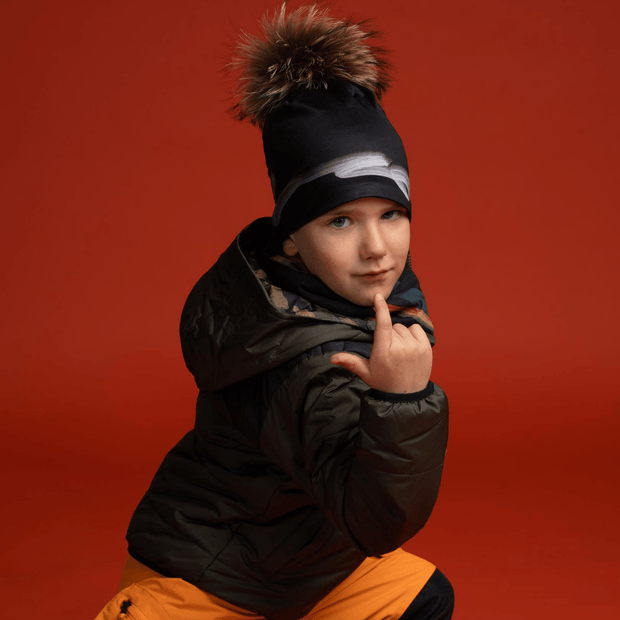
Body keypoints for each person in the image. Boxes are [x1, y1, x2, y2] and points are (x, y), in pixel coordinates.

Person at [96, 4, 453, 619]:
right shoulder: (300, 358)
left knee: (422, 597)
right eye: (340, 221)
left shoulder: (352, 297)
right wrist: (401, 403)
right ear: (291, 238)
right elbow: (376, 520)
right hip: (211, 577)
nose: (376, 248)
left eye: (391, 215)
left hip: (309, 569)